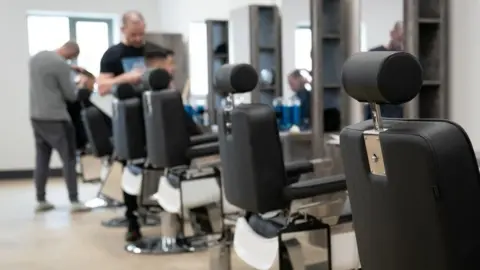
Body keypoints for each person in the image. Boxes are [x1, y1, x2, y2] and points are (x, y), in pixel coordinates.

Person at [97, 11, 180, 242]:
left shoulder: (154, 51)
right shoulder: (113, 55)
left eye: (141, 33)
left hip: (157, 120)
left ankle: (172, 218)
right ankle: (132, 220)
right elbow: (102, 87)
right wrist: (127, 78)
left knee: (169, 166)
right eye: (133, 34)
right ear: (123, 29)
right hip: (129, 124)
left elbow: (169, 83)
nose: (137, 38)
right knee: (131, 170)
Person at [29, 41, 91, 213]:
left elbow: (48, 79)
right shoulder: (61, 65)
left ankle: (41, 200)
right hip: (56, 118)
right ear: (71, 54)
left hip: (36, 116)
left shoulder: (36, 58)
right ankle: (74, 200)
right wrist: (81, 84)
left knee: (42, 158)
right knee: (69, 159)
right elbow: (71, 95)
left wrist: (69, 70)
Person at [365, 21, 404, 120]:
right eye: (400, 38)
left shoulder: (408, 58)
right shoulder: (375, 54)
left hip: (399, 110)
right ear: (392, 33)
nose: (401, 43)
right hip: (378, 108)